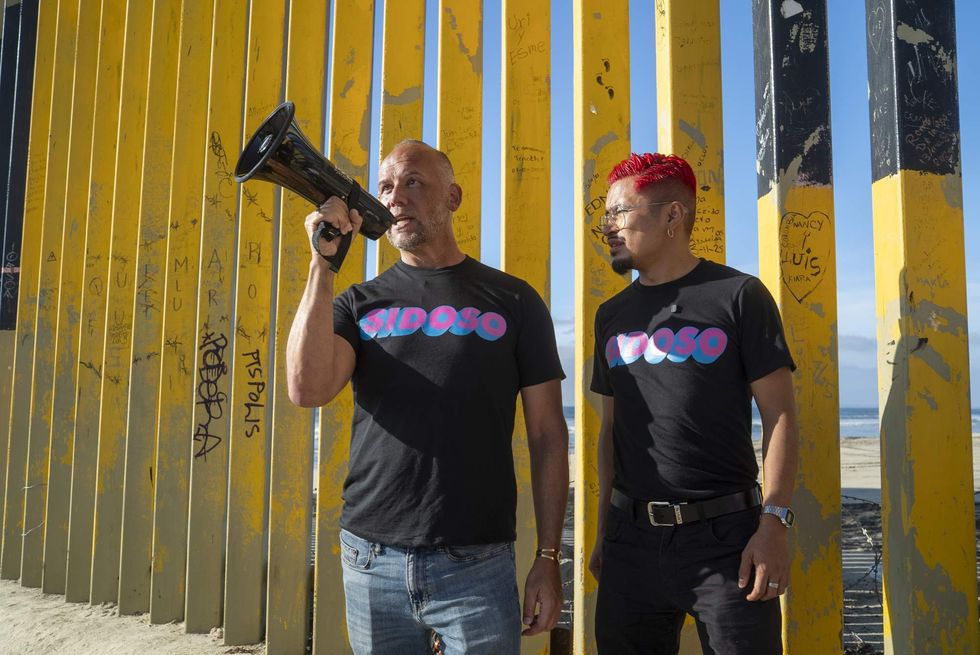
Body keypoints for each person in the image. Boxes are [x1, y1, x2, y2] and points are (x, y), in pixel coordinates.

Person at [286, 140, 568, 654]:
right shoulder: (359, 301)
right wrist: (322, 267)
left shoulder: (514, 299)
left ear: (453, 196)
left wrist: (548, 556)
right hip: (371, 559)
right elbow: (306, 388)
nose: (396, 198)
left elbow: (549, 434)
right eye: (387, 187)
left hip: (477, 563)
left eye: (413, 182)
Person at [588, 152, 799, 654]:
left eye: (620, 212)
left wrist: (774, 524)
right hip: (630, 540)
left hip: (728, 540)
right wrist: (603, 533)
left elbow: (781, 417)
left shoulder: (739, 296)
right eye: (605, 215)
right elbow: (609, 434)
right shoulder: (610, 315)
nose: (608, 227)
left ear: (671, 216)